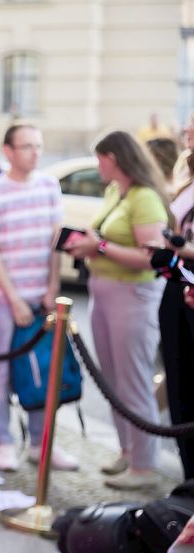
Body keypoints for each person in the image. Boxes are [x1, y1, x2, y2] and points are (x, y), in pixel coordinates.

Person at [65, 130, 171, 490]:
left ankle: (144, 464)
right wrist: (88, 243)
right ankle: (127, 450)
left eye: (100, 158)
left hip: (133, 295)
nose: (97, 166)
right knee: (112, 377)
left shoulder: (145, 198)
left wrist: (102, 247)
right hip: (104, 291)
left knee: (133, 378)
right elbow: (105, 238)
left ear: (116, 158)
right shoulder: (115, 192)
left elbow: (151, 257)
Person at [0, 123, 79, 472]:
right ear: (8, 151)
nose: (36, 152)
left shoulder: (50, 185)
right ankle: (4, 442)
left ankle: (41, 443)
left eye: (39, 145)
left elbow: (55, 242)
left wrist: (52, 288)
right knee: (3, 372)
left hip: (43, 298)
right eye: (27, 146)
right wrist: (15, 299)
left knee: (45, 371)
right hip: (6, 299)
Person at [158, 145, 194, 481]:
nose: (188, 135)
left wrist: (186, 248)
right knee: (180, 386)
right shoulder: (186, 176)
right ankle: (188, 480)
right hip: (179, 282)